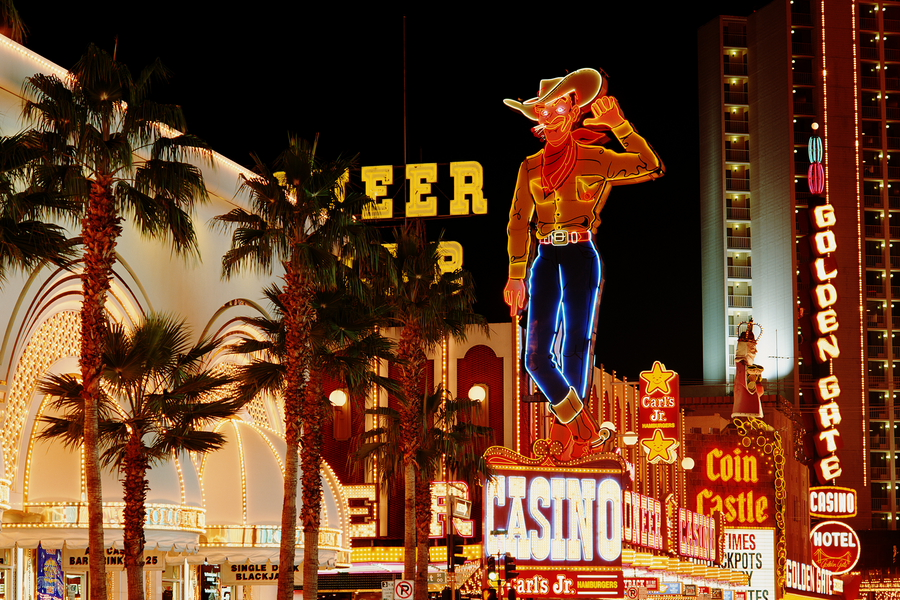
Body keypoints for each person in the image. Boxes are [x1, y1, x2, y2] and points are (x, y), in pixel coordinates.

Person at [503, 68, 664, 460]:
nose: (550, 115)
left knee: (576, 346)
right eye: (542, 109)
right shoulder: (528, 167)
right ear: (537, 118)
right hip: (543, 257)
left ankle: (570, 444)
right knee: (536, 356)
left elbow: (650, 165)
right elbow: (519, 221)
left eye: (558, 105)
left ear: (574, 111)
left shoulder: (596, 159)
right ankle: (586, 428)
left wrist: (620, 126)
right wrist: (515, 274)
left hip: (580, 254)